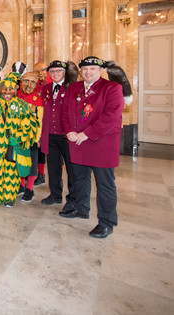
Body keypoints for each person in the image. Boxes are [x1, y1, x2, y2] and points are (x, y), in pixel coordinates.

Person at [61, 57, 124, 238]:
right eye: (85, 69)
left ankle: (106, 222)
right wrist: (69, 132)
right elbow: (65, 113)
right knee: (79, 179)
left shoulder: (112, 88)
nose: (88, 72)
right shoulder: (73, 88)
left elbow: (111, 116)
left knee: (104, 185)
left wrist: (86, 133)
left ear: (101, 70)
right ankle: (81, 208)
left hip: (100, 143)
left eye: (93, 69)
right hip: (77, 142)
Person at [0, 73, 39, 207]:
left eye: (11, 89)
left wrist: (19, 138)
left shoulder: (22, 105)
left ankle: (9, 197)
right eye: (4, 89)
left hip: (12, 148)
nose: (7, 92)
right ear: (0, 89)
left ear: (16, 90)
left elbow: (30, 125)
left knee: (11, 172)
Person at [40, 60, 75, 210]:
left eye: (59, 71)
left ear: (64, 73)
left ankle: (73, 198)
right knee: (53, 166)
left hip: (66, 135)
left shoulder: (71, 88)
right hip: (50, 133)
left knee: (71, 168)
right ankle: (55, 194)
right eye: (53, 72)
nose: (55, 74)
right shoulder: (46, 88)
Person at [16, 72, 44, 202]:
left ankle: (30, 189)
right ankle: (21, 186)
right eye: (26, 81)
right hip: (17, 139)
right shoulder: (15, 98)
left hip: (31, 139)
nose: (28, 85)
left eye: (32, 82)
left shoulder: (38, 101)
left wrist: (37, 139)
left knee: (32, 165)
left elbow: (40, 121)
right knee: (20, 163)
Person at [33, 61, 50, 185]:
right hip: (38, 122)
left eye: (43, 70)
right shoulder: (36, 85)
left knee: (54, 154)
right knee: (40, 151)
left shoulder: (52, 84)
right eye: (37, 71)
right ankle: (41, 174)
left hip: (51, 123)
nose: (40, 73)